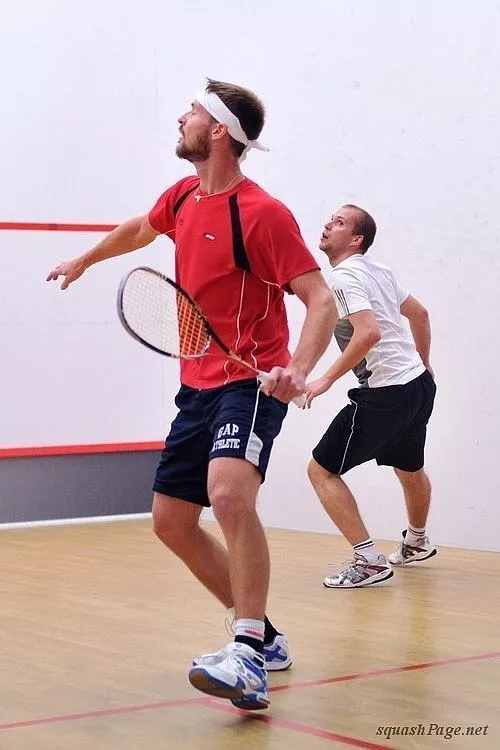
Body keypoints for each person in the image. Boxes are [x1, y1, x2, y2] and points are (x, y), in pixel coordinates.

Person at [47, 78, 335, 709]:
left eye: (195, 113)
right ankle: (263, 636)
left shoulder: (262, 214)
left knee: (229, 495)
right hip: (197, 384)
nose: (181, 118)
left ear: (221, 132)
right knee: (173, 522)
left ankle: (248, 656)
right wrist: (85, 261)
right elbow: (138, 230)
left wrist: (298, 369)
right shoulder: (182, 197)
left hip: (252, 380)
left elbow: (320, 297)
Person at [305, 204, 437, 589]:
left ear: (356, 239)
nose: (328, 224)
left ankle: (368, 561)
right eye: (330, 218)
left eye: (340, 222)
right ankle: (416, 541)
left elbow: (368, 333)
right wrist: (424, 363)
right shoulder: (379, 271)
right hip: (417, 386)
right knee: (409, 468)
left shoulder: (343, 278)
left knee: (321, 470)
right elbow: (421, 315)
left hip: (386, 393)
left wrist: (325, 379)